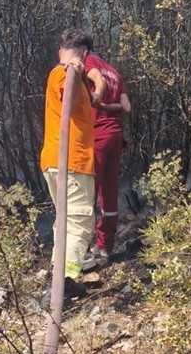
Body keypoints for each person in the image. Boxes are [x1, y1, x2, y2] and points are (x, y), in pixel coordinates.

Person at [40, 29, 96, 300]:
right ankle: (63, 283)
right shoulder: (63, 73)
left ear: (59, 50)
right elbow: (70, 100)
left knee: (65, 221)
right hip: (72, 159)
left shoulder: (62, 72)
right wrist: (75, 71)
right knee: (79, 221)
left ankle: (58, 278)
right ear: (85, 54)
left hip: (57, 159)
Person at [81, 36, 131, 266]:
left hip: (98, 135)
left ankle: (82, 248)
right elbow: (127, 109)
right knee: (109, 192)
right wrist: (112, 108)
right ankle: (105, 246)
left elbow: (96, 79)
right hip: (116, 137)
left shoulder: (90, 61)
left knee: (87, 192)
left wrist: (97, 100)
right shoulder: (117, 74)